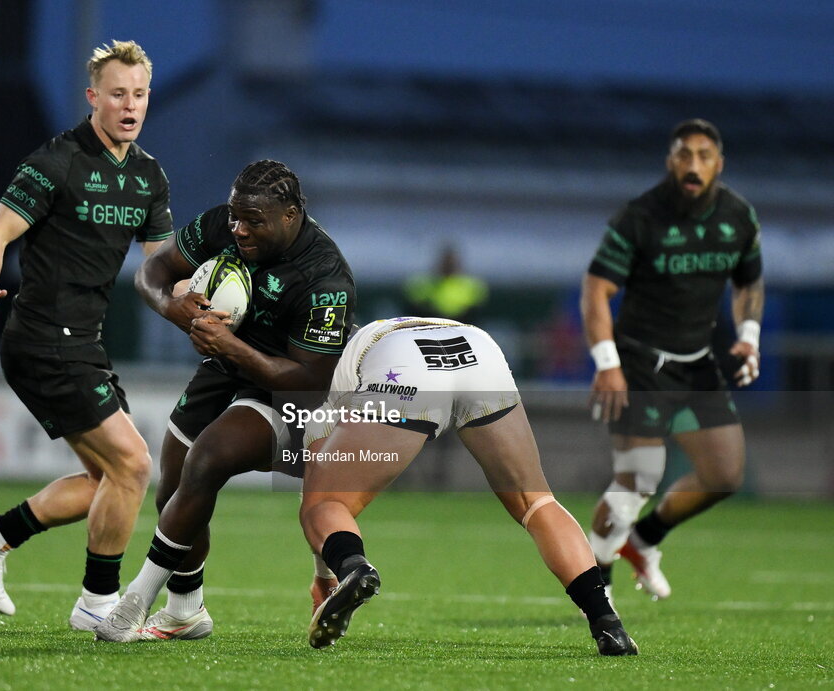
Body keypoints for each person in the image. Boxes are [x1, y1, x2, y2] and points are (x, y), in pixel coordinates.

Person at [0, 40, 173, 631]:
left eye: (140, 94)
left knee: (107, 480)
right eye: (118, 93)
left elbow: (160, 268)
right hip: (44, 338)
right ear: (93, 97)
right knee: (132, 466)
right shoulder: (57, 162)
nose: (130, 105)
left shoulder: (148, 177)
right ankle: (97, 606)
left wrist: (201, 299)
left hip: (82, 342)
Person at [94, 159, 356, 642]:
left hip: (289, 388)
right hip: (225, 364)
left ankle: (134, 602)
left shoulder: (325, 278)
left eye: (254, 220)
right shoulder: (225, 224)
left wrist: (230, 345)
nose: (239, 229)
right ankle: (186, 611)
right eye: (236, 216)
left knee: (208, 457)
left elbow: (308, 379)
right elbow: (150, 272)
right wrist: (172, 307)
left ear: (291, 215)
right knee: (171, 490)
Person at [298, 317, 638, 655]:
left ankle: (355, 567)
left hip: (401, 365)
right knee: (536, 502)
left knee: (323, 505)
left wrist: (328, 575)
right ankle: (608, 623)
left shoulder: (325, 372)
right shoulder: (374, 329)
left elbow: (318, 483)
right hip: (476, 348)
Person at [582, 119, 764, 601]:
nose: (693, 165)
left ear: (719, 164)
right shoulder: (641, 216)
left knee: (725, 476)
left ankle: (643, 541)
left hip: (697, 362)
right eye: (684, 154)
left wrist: (749, 334)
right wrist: (607, 363)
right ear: (670, 161)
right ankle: (595, 579)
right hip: (640, 363)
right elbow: (596, 290)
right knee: (637, 478)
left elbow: (748, 279)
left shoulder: (738, 217)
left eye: (704, 156)